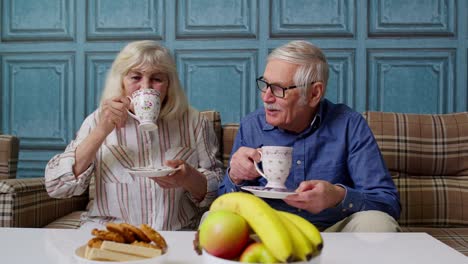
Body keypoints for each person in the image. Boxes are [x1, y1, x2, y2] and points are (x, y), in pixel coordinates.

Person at [218, 40, 401, 232]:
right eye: (265, 84)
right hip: (269, 233)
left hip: (335, 232)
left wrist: (338, 196)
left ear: (314, 93)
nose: (266, 97)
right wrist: (235, 177)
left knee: (378, 224)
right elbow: (223, 202)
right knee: (213, 219)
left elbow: (387, 203)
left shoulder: (349, 125)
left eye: (279, 89)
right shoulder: (251, 126)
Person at [45, 40, 223, 231]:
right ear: (121, 81)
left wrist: (189, 178)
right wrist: (101, 130)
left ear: (169, 84)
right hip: (111, 231)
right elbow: (57, 187)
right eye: (135, 77)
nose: (146, 87)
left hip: (174, 233)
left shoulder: (194, 121)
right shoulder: (98, 120)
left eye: (157, 79)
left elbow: (220, 192)